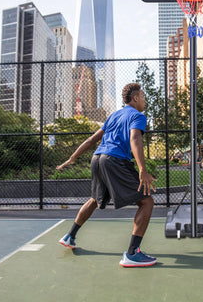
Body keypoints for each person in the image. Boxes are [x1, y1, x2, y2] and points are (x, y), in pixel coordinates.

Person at [56, 83, 157, 267]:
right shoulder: (138, 116)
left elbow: (92, 139)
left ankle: (70, 236)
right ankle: (133, 254)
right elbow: (135, 138)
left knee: (95, 199)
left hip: (97, 158)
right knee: (147, 201)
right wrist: (142, 169)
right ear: (135, 98)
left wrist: (72, 158)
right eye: (142, 95)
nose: (144, 99)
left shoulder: (114, 115)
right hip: (114, 160)